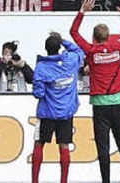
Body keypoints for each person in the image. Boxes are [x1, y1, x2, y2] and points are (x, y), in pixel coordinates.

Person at [70, 0, 120, 183]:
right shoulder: (118, 47)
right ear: (108, 36)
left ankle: (105, 181)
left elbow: (73, 32)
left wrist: (82, 10)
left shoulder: (91, 51)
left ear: (94, 38)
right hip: (118, 102)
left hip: (100, 105)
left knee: (103, 147)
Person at [32, 32, 85, 183]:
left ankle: (35, 180)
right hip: (66, 113)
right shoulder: (71, 60)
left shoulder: (42, 67)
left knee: (39, 143)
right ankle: (64, 181)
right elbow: (79, 51)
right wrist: (64, 40)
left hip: (47, 113)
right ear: (59, 47)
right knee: (64, 146)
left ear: (46, 49)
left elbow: (38, 93)